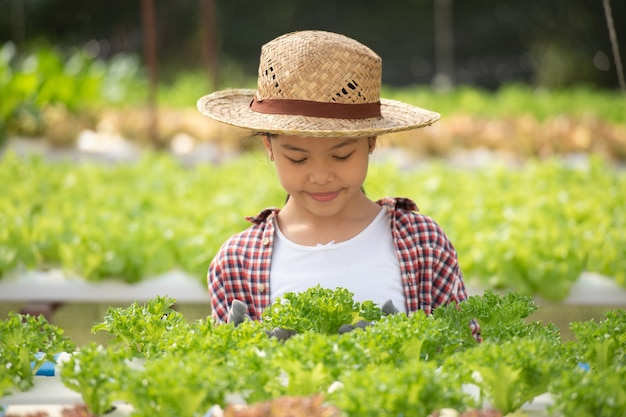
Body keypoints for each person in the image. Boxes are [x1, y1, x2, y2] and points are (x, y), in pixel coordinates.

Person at [197, 30, 481, 342]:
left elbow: (464, 354)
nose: (321, 176)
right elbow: (231, 376)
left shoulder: (422, 244)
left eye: (341, 155)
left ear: (371, 142)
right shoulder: (237, 261)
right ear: (268, 146)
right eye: (297, 159)